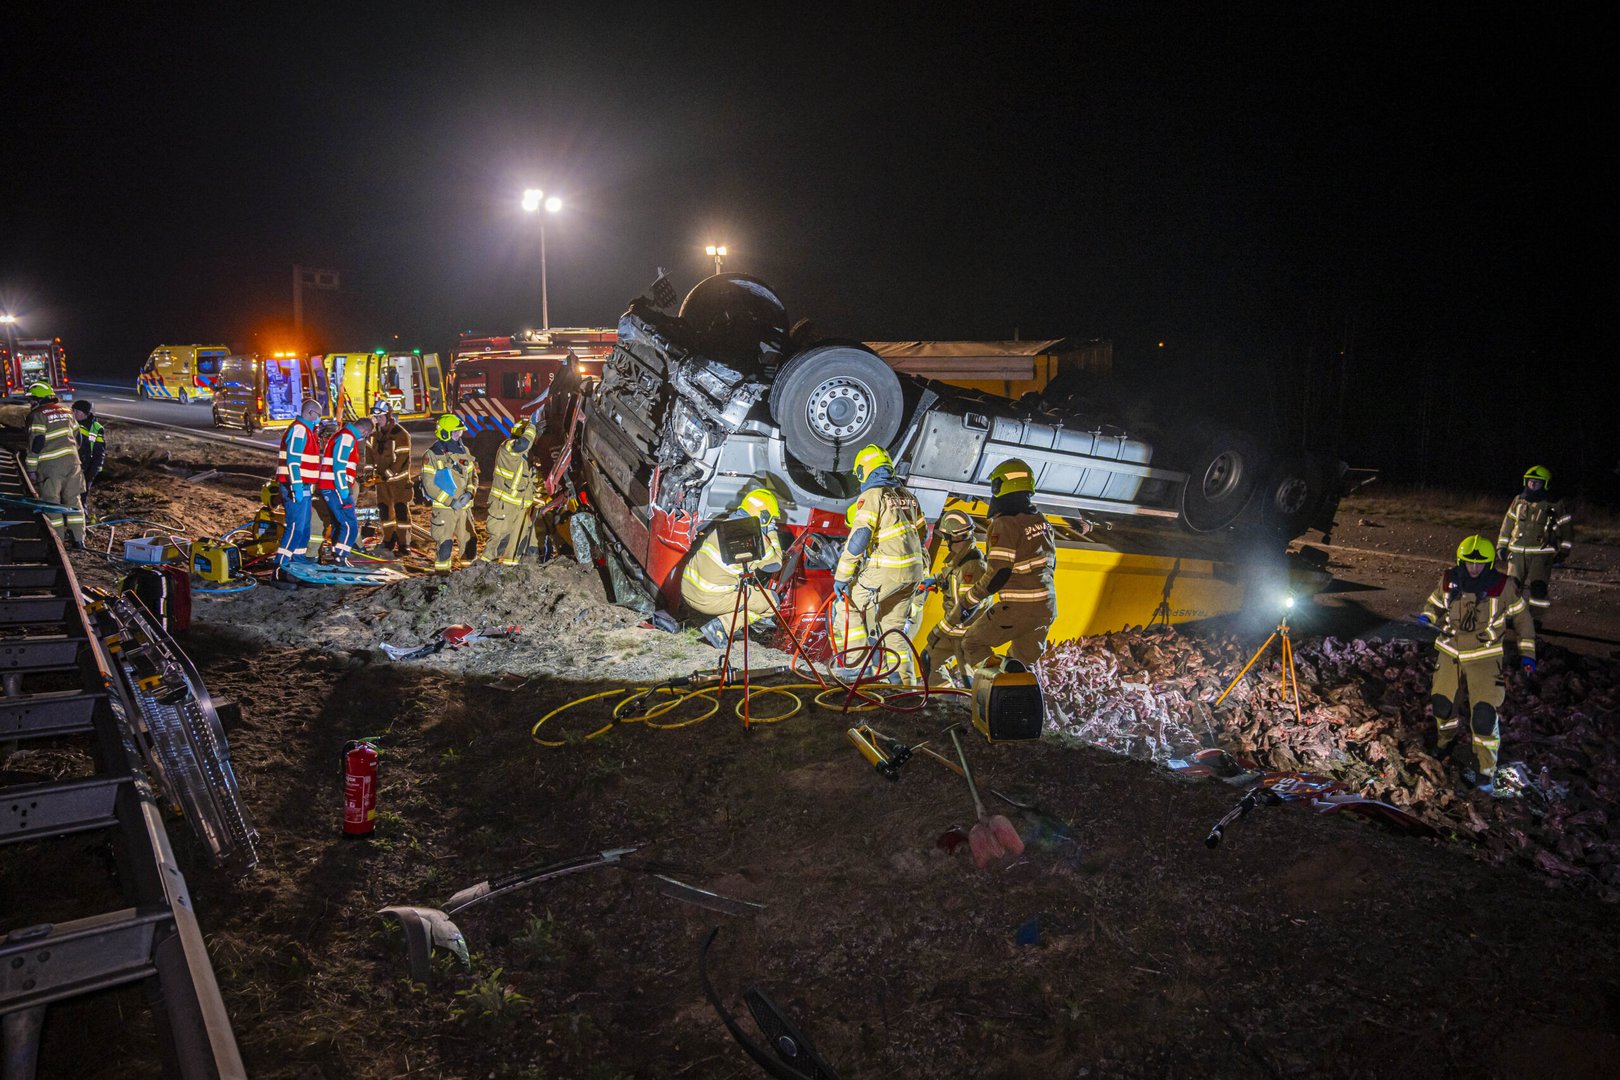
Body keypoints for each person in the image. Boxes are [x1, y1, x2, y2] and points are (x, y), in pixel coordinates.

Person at [1416, 534, 1537, 796]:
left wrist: (1528, 654)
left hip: (1484, 657)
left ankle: (1486, 771)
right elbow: (1435, 603)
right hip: (1450, 652)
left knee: (1483, 716)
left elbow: (1523, 620)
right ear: (1461, 560)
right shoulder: (1449, 580)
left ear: (1490, 563)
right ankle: (1444, 742)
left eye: (1479, 563)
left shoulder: (1503, 586)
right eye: (1469, 562)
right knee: (1442, 704)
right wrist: (1426, 617)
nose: (1473, 568)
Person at [832, 444, 927, 681]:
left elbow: (859, 538)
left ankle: (856, 667)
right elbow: (921, 534)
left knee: (847, 605)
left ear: (865, 470)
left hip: (888, 569)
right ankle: (905, 687)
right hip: (913, 574)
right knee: (893, 629)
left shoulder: (872, 496)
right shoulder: (909, 497)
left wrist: (842, 577)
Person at [959, 458, 1057, 673]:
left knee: (973, 643)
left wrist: (968, 601)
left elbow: (998, 573)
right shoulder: (1041, 520)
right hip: (1047, 607)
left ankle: (998, 686)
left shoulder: (1004, 523)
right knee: (1024, 665)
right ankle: (1018, 700)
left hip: (1018, 608)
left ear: (1000, 486)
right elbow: (1052, 563)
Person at [681, 487, 785, 648]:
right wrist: (771, 532)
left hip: (688, 589)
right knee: (771, 602)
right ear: (763, 516)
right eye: (770, 519)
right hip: (709, 600)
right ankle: (721, 627)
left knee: (749, 593)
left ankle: (739, 623)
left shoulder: (726, 524)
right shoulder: (756, 539)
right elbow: (775, 565)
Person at [1497, 465, 1573, 624]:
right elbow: (1507, 524)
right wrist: (1501, 547)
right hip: (1517, 552)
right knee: (1512, 586)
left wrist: (1564, 550)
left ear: (1545, 484)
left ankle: (1535, 619)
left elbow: (1566, 528)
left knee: (1538, 588)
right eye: (1530, 482)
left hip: (1541, 554)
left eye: (1537, 482)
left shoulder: (1554, 504)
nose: (1532, 485)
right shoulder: (1518, 500)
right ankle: (1510, 616)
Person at [919, 509, 986, 687]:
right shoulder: (962, 559)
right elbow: (952, 575)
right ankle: (943, 702)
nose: (946, 542)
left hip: (968, 634)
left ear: (954, 538)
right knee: (930, 659)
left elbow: (967, 608)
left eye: (947, 538)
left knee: (972, 678)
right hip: (956, 631)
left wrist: (940, 630)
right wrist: (935, 580)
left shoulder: (973, 566)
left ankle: (977, 708)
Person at [24, 383, 87, 547]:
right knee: (74, 500)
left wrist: (31, 469)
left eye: (32, 400)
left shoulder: (38, 415)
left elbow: (36, 443)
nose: (31, 403)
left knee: (51, 503)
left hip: (51, 466)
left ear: (39, 399)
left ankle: (57, 541)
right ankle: (78, 539)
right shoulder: (67, 411)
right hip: (73, 463)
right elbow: (78, 439)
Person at [422, 414, 479, 573]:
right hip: (444, 511)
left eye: (460, 432)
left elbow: (473, 477)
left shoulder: (464, 450)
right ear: (445, 433)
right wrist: (451, 501)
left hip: (464, 510)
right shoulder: (432, 455)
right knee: (445, 545)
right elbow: (429, 485)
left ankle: (469, 576)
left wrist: (469, 493)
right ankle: (442, 578)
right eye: (455, 432)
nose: (458, 436)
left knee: (469, 544)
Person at [481, 420, 540, 566]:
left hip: (521, 508)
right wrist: (532, 427)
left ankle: (512, 570)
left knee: (522, 540)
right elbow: (522, 444)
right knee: (499, 539)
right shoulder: (508, 447)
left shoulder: (526, 457)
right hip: (504, 505)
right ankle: (482, 570)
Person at [317, 417, 374, 566]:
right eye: (366, 435)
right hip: (335, 487)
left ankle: (338, 556)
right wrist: (343, 489)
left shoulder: (342, 435)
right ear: (364, 431)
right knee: (350, 525)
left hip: (330, 486)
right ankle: (340, 558)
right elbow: (339, 465)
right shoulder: (347, 437)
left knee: (339, 524)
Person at [273, 398, 323, 568]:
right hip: (295, 486)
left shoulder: (307, 432)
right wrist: (296, 486)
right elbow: (293, 461)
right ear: (310, 413)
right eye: (318, 415)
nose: (319, 419)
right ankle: (282, 563)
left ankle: (298, 557)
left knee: (304, 526)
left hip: (304, 485)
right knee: (295, 527)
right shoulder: (299, 430)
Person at [369, 402, 414, 554]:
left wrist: (387, 474)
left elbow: (401, 458)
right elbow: (369, 456)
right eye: (376, 416)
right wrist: (370, 474)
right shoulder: (374, 435)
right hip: (382, 483)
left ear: (388, 415)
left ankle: (404, 544)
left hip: (399, 482)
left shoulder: (401, 434)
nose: (377, 419)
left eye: (380, 416)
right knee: (385, 512)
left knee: (401, 513)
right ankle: (388, 540)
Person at [71, 399, 106, 489]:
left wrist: (91, 474)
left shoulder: (96, 428)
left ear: (85, 413)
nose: (74, 413)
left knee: (81, 495)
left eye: (77, 411)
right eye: (73, 410)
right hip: (71, 467)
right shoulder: (70, 423)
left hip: (87, 467)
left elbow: (99, 453)